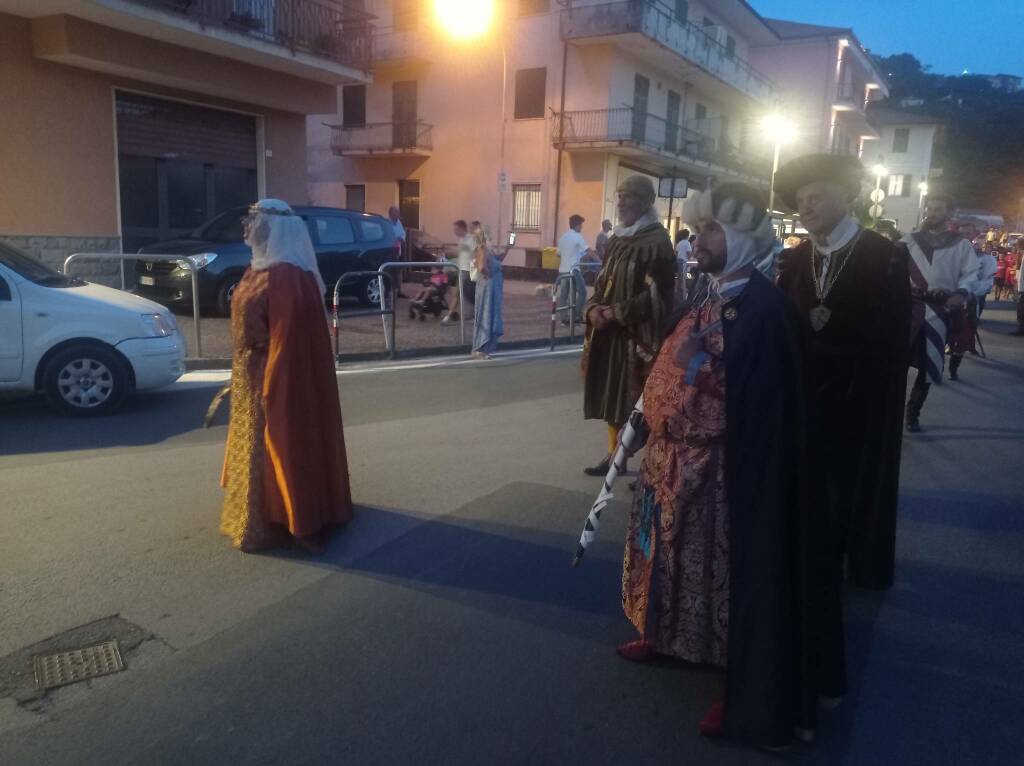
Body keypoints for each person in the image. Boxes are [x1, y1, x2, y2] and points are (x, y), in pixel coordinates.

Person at [619, 183, 834, 750]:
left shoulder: (765, 311)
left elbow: (755, 406)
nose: (698, 238)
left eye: (712, 229)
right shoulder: (713, 293)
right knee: (669, 559)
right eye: (697, 228)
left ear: (740, 238)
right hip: (674, 463)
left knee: (723, 580)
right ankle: (665, 639)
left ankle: (739, 681)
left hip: (721, 474)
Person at [774, 153, 911, 591]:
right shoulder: (795, 261)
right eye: (799, 200)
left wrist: (866, 391)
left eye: (815, 197)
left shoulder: (883, 256)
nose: (805, 208)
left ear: (843, 198)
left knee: (849, 487)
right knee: (807, 484)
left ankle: (849, 563)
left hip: (860, 397)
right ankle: (811, 558)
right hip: (805, 395)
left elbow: (893, 338)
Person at [220, 199, 353, 552]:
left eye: (255, 220)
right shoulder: (256, 270)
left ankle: (300, 519)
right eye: (247, 219)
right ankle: (262, 512)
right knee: (255, 443)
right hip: (249, 372)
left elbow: (289, 339)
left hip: (275, 375)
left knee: (282, 440)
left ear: (274, 227)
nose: (247, 226)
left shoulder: (290, 277)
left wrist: (274, 384)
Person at [581, 175, 676, 476]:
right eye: (619, 196)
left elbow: (657, 296)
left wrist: (614, 313)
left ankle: (653, 464)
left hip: (640, 337)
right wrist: (593, 308)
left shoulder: (658, 242)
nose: (621, 202)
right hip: (611, 334)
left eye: (629, 196)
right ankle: (615, 457)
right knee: (614, 396)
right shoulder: (618, 239)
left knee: (643, 402)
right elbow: (603, 281)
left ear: (647, 201)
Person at [902, 192, 977, 423]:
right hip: (909, 307)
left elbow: (970, 274)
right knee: (896, 360)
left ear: (949, 213)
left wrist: (961, 292)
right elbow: (892, 270)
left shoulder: (961, 244)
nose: (931, 213)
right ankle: (890, 409)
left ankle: (913, 411)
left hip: (939, 309)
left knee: (929, 361)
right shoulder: (909, 240)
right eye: (929, 208)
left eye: (938, 209)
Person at [471, 223, 506, 358]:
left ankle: (484, 348)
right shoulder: (483, 249)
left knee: (489, 314)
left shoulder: (488, 249)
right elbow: (481, 267)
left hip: (491, 287)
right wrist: (490, 275)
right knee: (486, 314)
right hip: (488, 287)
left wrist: (508, 248)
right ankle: (481, 348)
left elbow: (498, 259)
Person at [557, 214, 590, 324]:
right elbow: (589, 250)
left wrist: (572, 255)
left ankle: (564, 318)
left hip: (562, 270)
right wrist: (600, 261)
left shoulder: (563, 238)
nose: (582, 227)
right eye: (581, 225)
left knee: (564, 294)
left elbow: (558, 254)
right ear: (577, 225)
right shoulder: (577, 236)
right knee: (582, 292)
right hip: (574, 269)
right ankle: (576, 315)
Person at [443, 219, 475, 324]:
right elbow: (460, 255)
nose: (455, 232)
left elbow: (472, 254)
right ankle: (450, 314)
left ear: (462, 229)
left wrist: (452, 253)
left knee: (468, 294)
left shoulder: (471, 239)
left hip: (469, 270)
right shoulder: (461, 240)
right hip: (461, 269)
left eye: (456, 229)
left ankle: (474, 314)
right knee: (457, 293)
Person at [388, 206, 408, 297]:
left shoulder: (399, 222)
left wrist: (402, 238)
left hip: (400, 247)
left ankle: (399, 291)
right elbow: (389, 235)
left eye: (398, 212)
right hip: (392, 249)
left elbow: (403, 233)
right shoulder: (387, 223)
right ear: (391, 214)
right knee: (392, 270)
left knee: (399, 269)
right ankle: (389, 291)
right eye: (396, 212)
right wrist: (396, 238)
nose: (398, 214)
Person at [974, 245, 998, 318]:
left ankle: (977, 316)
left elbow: (993, 271)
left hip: (985, 284)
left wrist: (987, 277)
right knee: (975, 301)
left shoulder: (992, 259)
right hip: (974, 283)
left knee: (981, 300)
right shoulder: (974, 258)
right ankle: (975, 316)